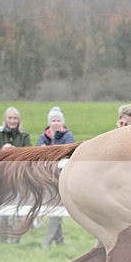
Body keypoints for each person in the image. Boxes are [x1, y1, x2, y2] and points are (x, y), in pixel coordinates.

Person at [0, 107, 31, 243]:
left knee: (18, 208)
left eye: (15, 118)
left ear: (19, 120)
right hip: (2, 178)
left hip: (18, 178)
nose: (12, 121)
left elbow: (30, 152)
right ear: (6, 119)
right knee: (3, 207)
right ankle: (3, 239)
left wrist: (16, 151)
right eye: (10, 118)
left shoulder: (24, 137)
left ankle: (16, 239)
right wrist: (2, 150)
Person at [37, 106, 75, 248]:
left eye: (58, 120)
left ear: (62, 122)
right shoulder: (43, 137)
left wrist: (49, 152)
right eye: (53, 120)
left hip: (61, 177)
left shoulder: (67, 136)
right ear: (49, 122)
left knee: (56, 207)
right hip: (47, 177)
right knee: (54, 207)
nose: (56, 123)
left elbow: (68, 152)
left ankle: (47, 241)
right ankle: (60, 242)